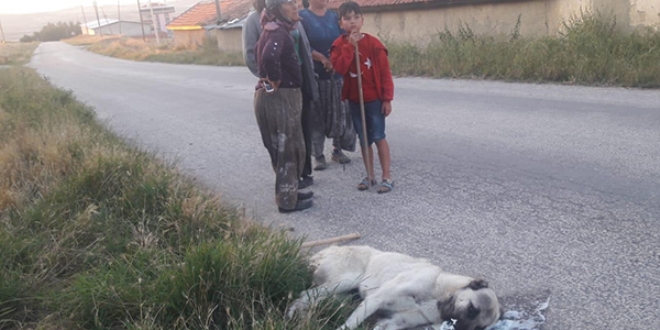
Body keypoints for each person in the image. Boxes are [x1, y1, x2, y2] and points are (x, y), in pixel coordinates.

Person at [243, 0, 318, 189]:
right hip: (281, 86)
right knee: (284, 136)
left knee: (300, 131)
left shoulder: (291, 19)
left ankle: (303, 172)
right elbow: (256, 55)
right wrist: (270, 78)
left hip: (300, 80)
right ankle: (288, 182)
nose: (294, 5)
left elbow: (304, 48)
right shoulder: (261, 22)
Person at [330, 1, 394, 193]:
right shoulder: (338, 45)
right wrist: (349, 47)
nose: (352, 22)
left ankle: (386, 176)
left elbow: (385, 74)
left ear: (362, 20)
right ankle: (370, 175)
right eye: (347, 19)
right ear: (341, 24)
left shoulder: (374, 45)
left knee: (378, 136)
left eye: (356, 17)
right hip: (355, 101)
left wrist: (387, 99)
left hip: (374, 100)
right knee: (364, 138)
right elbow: (339, 69)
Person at [299, 0, 356, 171]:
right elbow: (302, 44)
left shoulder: (334, 17)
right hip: (315, 75)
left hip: (336, 74)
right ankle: (318, 155)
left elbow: (344, 39)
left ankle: (337, 150)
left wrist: (335, 59)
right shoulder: (302, 18)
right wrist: (323, 59)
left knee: (338, 112)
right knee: (316, 116)